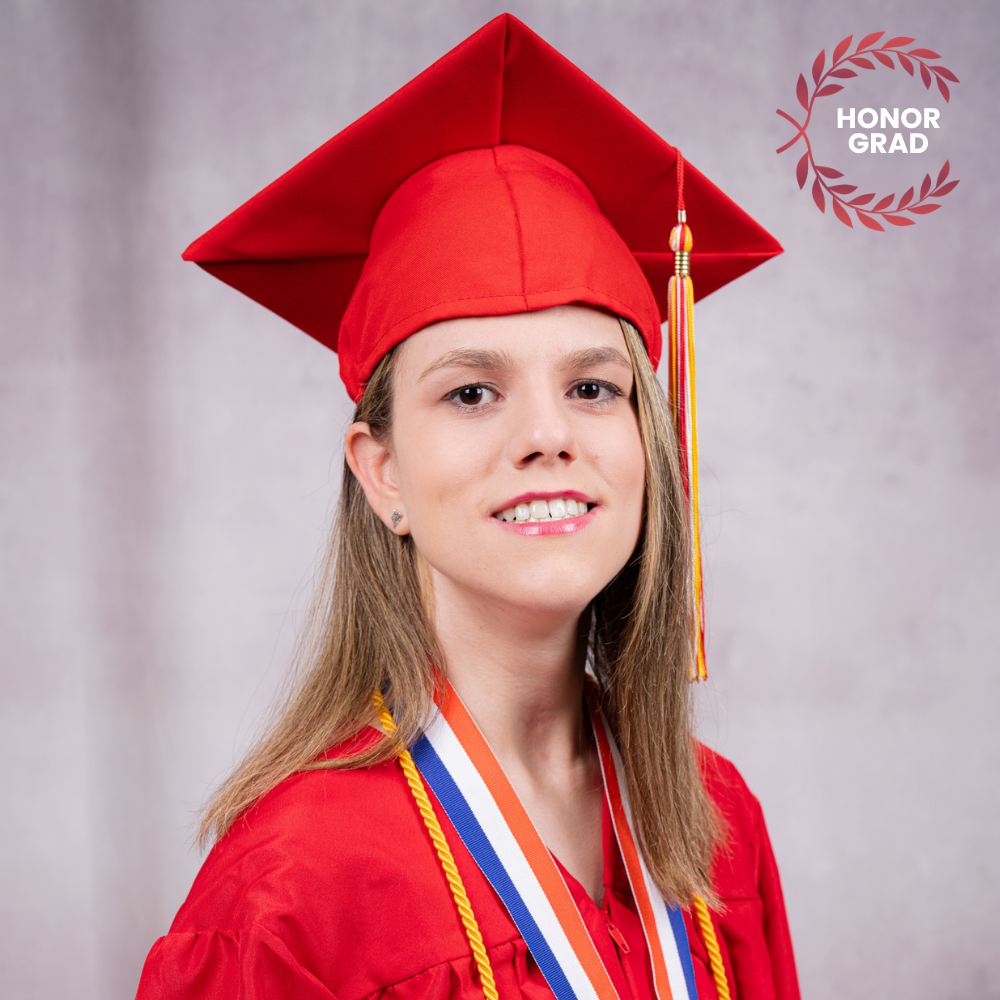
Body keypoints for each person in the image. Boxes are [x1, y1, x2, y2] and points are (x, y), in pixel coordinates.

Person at [137, 13, 795, 1000]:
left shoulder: (711, 816)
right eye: (471, 391)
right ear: (382, 472)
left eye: (593, 387)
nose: (548, 434)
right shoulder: (292, 888)